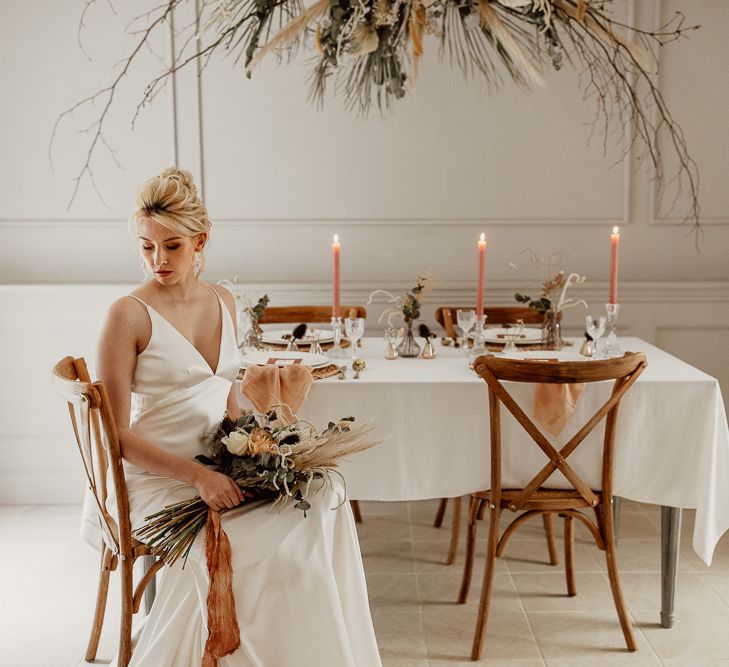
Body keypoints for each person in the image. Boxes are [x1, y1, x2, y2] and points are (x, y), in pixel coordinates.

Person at [93, 167, 382, 666]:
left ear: (200, 240)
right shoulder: (127, 314)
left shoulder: (223, 301)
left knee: (324, 491)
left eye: (172, 246)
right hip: (155, 478)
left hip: (217, 465)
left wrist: (256, 445)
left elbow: (224, 396)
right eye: (146, 247)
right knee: (270, 543)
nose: (157, 260)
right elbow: (113, 437)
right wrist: (198, 477)